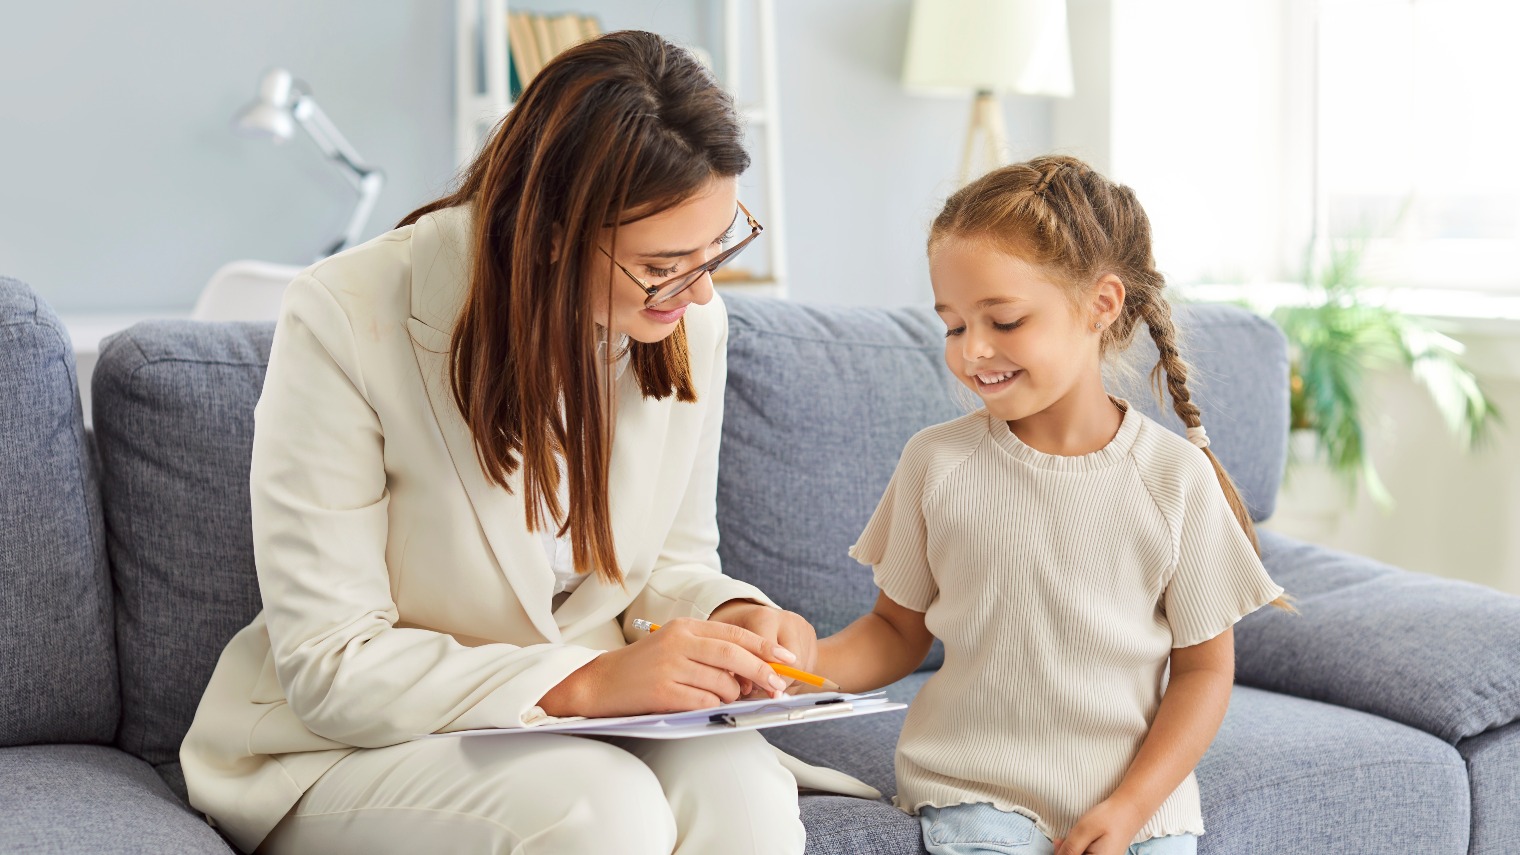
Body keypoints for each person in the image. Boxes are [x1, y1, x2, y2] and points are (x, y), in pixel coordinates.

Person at [180, 31, 874, 855]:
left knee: (747, 791)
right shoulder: (344, 311)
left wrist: (734, 615)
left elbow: (663, 569)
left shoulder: (690, 321)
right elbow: (335, 661)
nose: (701, 288)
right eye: (665, 262)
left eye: (717, 244)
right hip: (353, 744)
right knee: (596, 808)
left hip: (588, 719)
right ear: (551, 232)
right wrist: (581, 681)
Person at [813, 155, 1297, 855]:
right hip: (976, 793)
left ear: (1102, 304)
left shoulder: (1174, 477)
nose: (973, 350)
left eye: (1003, 320)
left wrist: (1131, 807)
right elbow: (894, 631)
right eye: (953, 325)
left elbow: (1204, 671)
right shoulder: (936, 461)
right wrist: (794, 664)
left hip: (1141, 807)